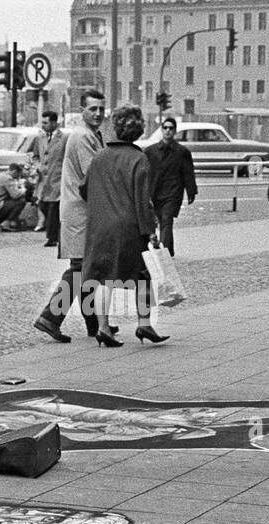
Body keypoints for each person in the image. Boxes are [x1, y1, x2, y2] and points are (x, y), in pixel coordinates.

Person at [82, 104, 165, 347]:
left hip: (100, 227)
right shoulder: (139, 159)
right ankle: (144, 324)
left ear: (116, 128)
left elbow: (84, 190)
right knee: (142, 276)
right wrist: (151, 231)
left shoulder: (99, 158)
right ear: (138, 130)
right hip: (128, 228)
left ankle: (104, 328)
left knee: (104, 278)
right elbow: (143, 200)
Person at [32, 89, 107, 344]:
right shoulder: (83, 136)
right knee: (79, 268)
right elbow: (93, 176)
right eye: (92, 109)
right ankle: (50, 317)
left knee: (86, 267)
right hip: (80, 211)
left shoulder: (91, 134)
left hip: (81, 210)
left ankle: (93, 324)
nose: (98, 113)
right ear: (82, 110)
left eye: (101, 108)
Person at [144, 116, 198, 257]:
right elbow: (143, 173)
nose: (168, 131)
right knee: (153, 222)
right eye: (165, 128)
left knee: (167, 220)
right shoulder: (150, 151)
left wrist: (191, 191)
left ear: (175, 131)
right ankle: (157, 248)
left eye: (171, 128)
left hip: (172, 193)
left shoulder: (182, 152)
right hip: (154, 191)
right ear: (162, 130)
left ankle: (165, 252)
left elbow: (188, 173)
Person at [35, 110, 65, 248]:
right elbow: (35, 156)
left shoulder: (64, 138)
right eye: (42, 122)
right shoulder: (40, 138)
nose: (43, 125)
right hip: (43, 181)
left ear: (54, 123)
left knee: (53, 209)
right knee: (43, 206)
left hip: (57, 179)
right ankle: (56, 234)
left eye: (46, 122)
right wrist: (36, 166)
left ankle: (52, 238)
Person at [0, 163, 29, 231]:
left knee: (9, 201)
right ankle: (6, 223)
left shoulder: (1, 175)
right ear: (14, 172)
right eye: (19, 174)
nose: (19, 177)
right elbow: (15, 195)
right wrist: (24, 189)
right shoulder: (8, 178)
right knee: (21, 201)